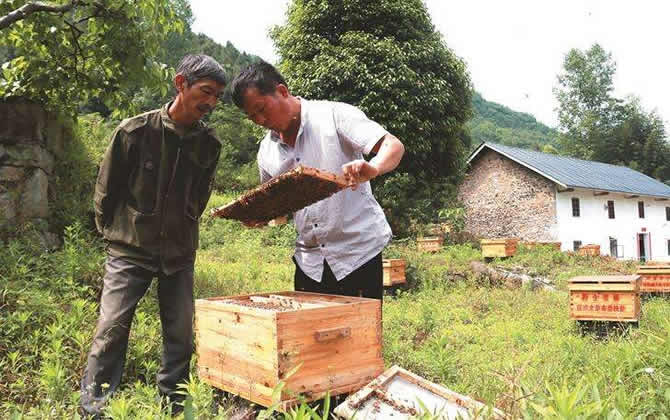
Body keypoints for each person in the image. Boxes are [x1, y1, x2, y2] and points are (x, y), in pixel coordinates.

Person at [80, 54, 226, 417]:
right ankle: (93, 407)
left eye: (218, 96)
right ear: (181, 84)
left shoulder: (209, 145)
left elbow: (200, 196)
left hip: (179, 253)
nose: (210, 102)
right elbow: (106, 192)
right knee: (111, 329)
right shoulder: (134, 132)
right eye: (206, 92)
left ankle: (173, 406)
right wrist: (117, 236)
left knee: (180, 335)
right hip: (130, 250)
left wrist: (183, 226)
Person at [230, 61, 404, 300]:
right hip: (309, 263)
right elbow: (275, 206)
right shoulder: (266, 151)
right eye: (252, 117)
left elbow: (392, 145)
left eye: (262, 109)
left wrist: (373, 168)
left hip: (357, 255)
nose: (260, 119)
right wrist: (258, 216)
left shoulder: (333, 115)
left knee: (359, 337)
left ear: (282, 91)